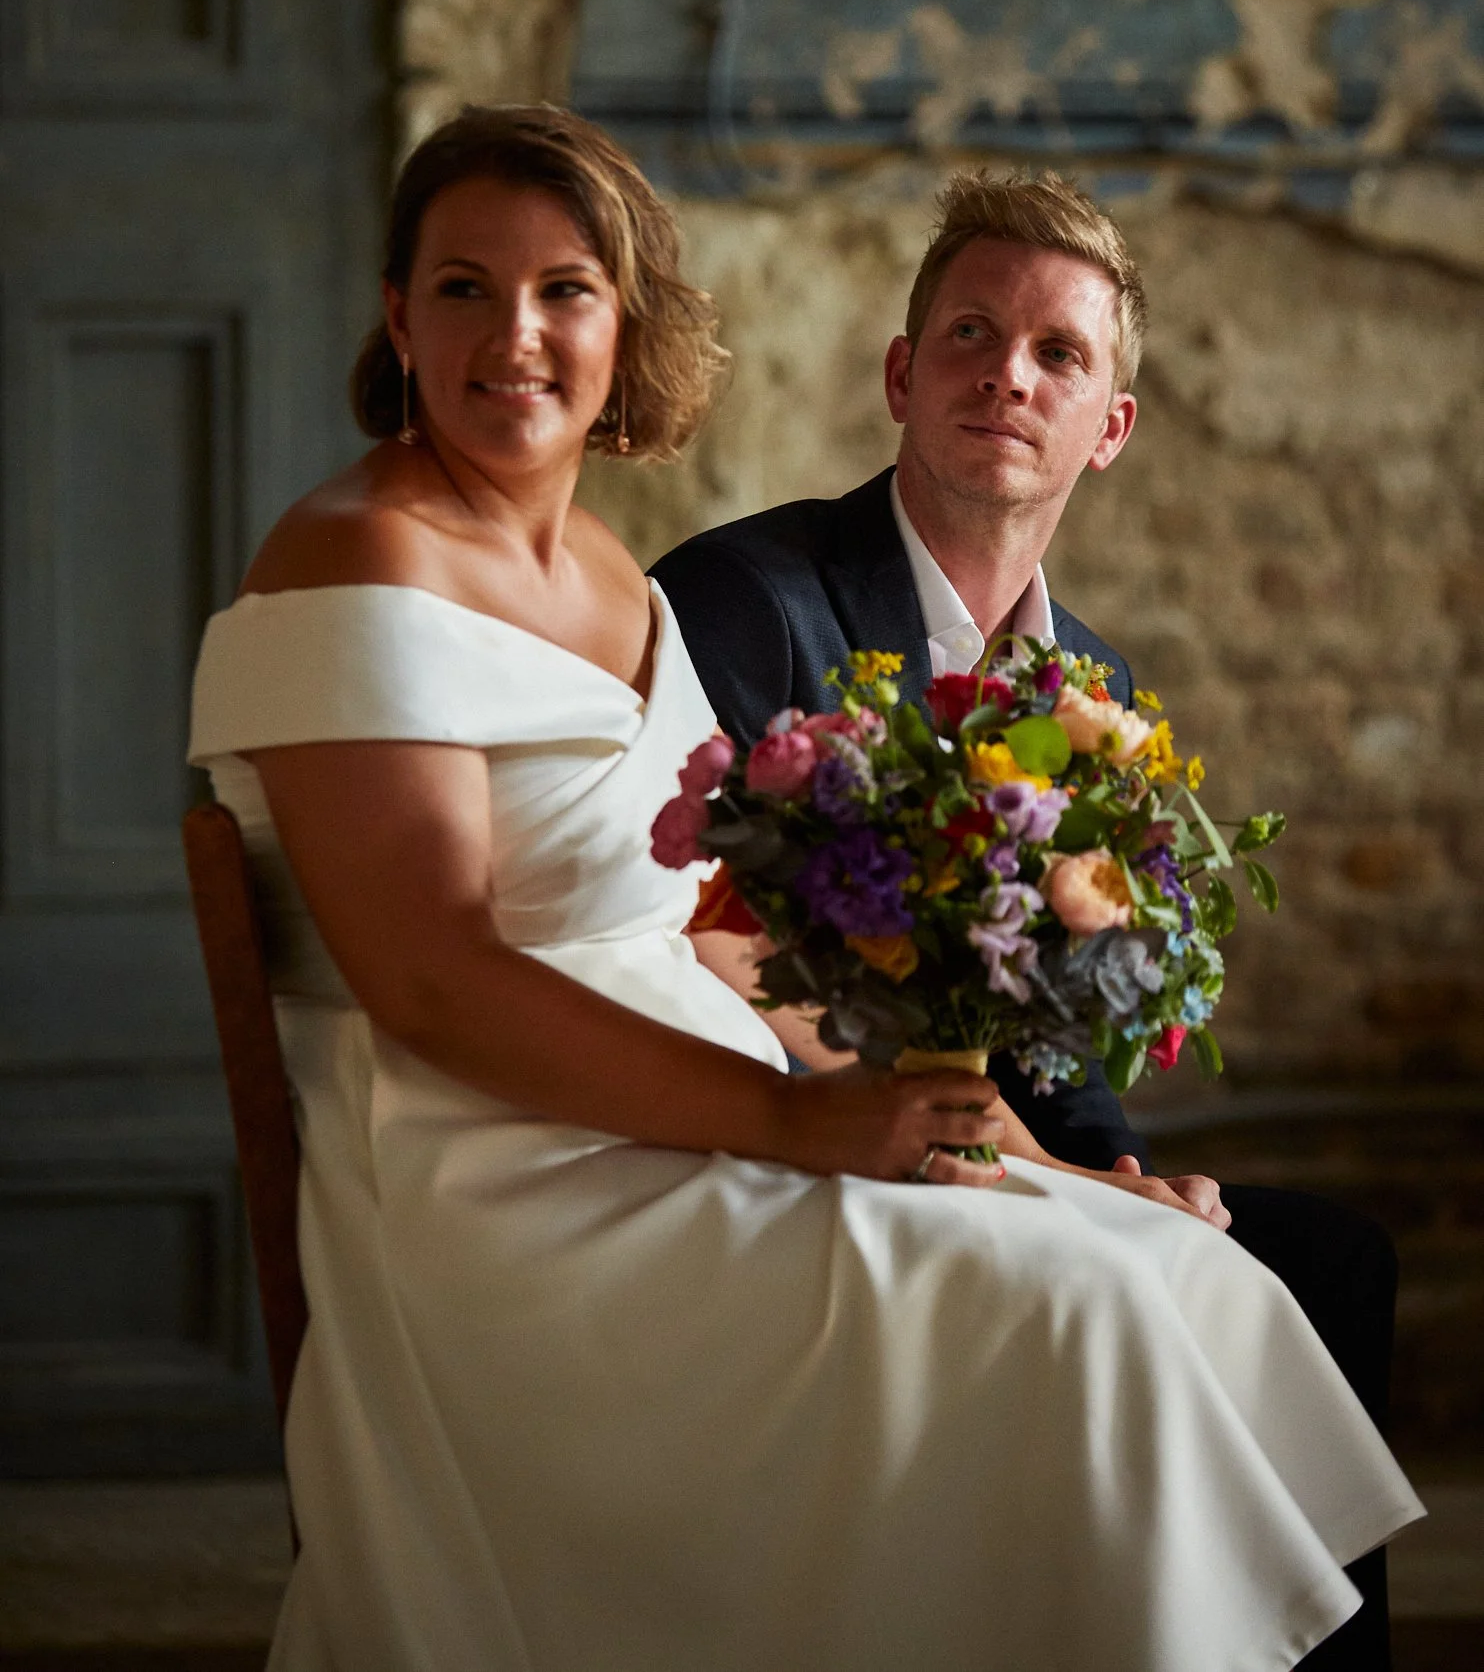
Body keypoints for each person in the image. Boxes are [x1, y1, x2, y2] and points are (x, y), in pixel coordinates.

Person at [189, 108, 1420, 1672]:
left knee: (1163, 1263)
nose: (518, 334)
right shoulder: (356, 557)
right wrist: (788, 1123)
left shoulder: (615, 580)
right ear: (396, 318)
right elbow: (432, 984)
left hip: (686, 1115)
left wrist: (1030, 1156)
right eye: (462, 288)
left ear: (622, 323)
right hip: (513, 1185)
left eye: (566, 288)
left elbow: (727, 929)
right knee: (1083, 1319)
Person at [652, 168, 1406, 1671]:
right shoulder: (748, 599)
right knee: (1143, 1285)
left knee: (1320, 1258)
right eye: (972, 334)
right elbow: (690, 944)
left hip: (1004, 1158)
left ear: (1109, 425)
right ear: (902, 372)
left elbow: (1061, 1005)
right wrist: (1046, 1170)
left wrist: (1120, 1165)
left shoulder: (1103, 694)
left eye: (1060, 353)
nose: (1011, 372)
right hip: (795, 1158)